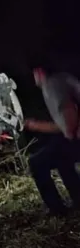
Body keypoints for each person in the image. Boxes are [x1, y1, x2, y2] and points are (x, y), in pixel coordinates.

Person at [24, 67, 80, 216]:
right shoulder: (63, 77)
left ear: (39, 72)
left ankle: (57, 210)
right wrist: (34, 125)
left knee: (36, 163)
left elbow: (68, 109)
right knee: (62, 160)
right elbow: (60, 125)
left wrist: (70, 135)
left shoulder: (52, 84)